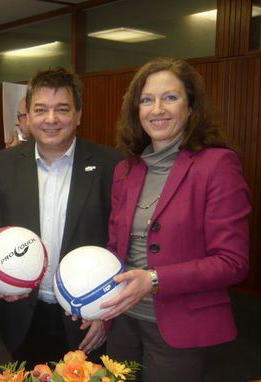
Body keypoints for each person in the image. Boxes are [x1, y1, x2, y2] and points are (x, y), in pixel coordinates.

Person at [100, 57, 250, 381]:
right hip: (122, 320)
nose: (158, 109)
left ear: (191, 106)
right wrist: (96, 302)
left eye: (170, 97)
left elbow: (232, 261)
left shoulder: (217, 165)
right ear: (136, 110)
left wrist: (153, 279)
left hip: (179, 327)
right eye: (147, 100)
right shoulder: (125, 170)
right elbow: (115, 248)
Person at [0, 67, 122, 369]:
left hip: (86, 316)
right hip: (22, 312)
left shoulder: (110, 164)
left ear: (79, 114)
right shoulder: (2, 165)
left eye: (62, 109)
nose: (51, 119)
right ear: (27, 116)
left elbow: (119, 244)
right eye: (41, 110)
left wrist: (105, 312)